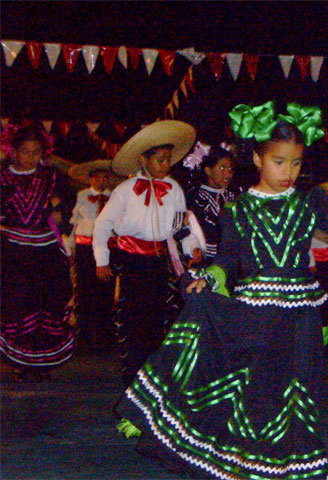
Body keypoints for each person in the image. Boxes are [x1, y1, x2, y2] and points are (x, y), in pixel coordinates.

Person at [115, 101, 328, 479]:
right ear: (257, 158)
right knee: (258, 390)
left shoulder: (311, 202)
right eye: (279, 161)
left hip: (301, 316)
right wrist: (207, 278)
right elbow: (227, 261)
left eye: (296, 162)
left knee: (300, 387)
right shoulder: (236, 211)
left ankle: (295, 463)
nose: (288, 171)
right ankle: (250, 461)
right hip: (254, 317)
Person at [92, 120, 202, 386]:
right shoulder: (126, 191)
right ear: (144, 160)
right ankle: (132, 373)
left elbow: (179, 224)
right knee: (133, 316)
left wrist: (192, 247)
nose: (166, 165)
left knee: (157, 316)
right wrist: (102, 260)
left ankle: (152, 375)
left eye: (168, 160)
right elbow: (102, 225)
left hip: (158, 261)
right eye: (160, 160)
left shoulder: (174, 189)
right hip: (131, 260)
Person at [0, 123, 74, 380]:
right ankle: (23, 364)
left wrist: (58, 215)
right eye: (25, 151)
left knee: (47, 307)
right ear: (13, 151)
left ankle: (42, 364)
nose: (30, 157)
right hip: (15, 253)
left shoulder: (49, 176)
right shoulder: (3, 177)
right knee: (20, 307)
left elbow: (61, 207)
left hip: (46, 253)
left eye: (36, 152)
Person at [67, 160, 116, 352]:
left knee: (106, 288)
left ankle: (105, 333)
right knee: (84, 289)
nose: (102, 181)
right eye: (98, 177)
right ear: (90, 179)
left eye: (105, 177)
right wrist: (70, 246)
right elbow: (75, 222)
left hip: (106, 246)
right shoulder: (83, 196)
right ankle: (84, 333)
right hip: (85, 246)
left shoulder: (114, 197)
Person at [183, 141, 237, 265]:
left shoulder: (233, 196)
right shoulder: (195, 197)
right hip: (203, 259)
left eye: (230, 168)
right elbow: (188, 228)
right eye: (222, 167)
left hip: (230, 260)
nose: (228, 173)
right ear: (208, 170)